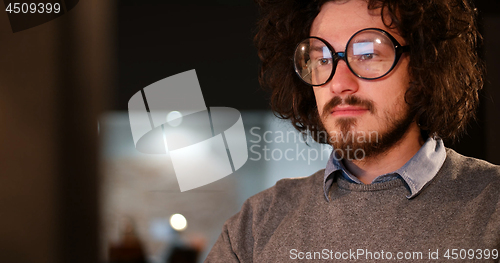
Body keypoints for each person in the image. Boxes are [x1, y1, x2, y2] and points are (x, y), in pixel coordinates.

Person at [206, 0, 500, 262]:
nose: (338, 83)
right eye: (322, 59)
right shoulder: (255, 226)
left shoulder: (492, 207)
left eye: (368, 54)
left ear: (424, 67)